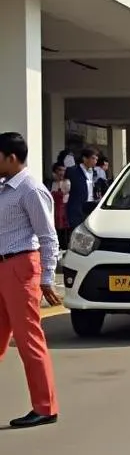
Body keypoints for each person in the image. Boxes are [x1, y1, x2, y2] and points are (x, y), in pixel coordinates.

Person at [0, 131, 61, 428]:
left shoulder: (30, 189)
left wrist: (48, 277)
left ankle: (45, 406)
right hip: (2, 266)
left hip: (21, 265)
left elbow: (49, 237)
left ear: (11, 158)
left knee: (28, 341)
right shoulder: (4, 189)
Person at [66, 147, 98, 231]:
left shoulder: (95, 173)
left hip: (91, 207)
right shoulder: (73, 171)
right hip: (77, 208)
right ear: (84, 159)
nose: (95, 161)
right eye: (93, 158)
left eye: (96, 159)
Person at [50, 162, 70, 250]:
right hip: (54, 209)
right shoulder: (52, 183)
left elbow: (64, 192)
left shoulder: (67, 182)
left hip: (64, 209)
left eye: (63, 170)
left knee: (64, 231)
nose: (62, 172)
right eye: (59, 170)